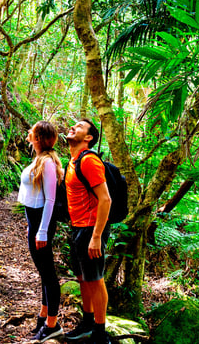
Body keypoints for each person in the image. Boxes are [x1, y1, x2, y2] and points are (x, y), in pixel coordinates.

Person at [64, 118, 112, 344]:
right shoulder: (72, 161)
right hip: (78, 228)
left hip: (91, 229)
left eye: (79, 127)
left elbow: (106, 200)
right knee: (83, 278)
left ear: (89, 138)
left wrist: (96, 237)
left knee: (96, 279)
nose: (73, 127)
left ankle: (100, 334)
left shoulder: (89, 161)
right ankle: (87, 322)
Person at [16, 120, 66, 343]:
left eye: (33, 131)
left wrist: (42, 231)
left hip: (41, 222)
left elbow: (50, 199)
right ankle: (44, 315)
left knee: (48, 274)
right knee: (43, 272)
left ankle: (52, 325)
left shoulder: (46, 162)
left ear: (38, 138)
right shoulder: (39, 158)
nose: (29, 133)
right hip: (34, 221)